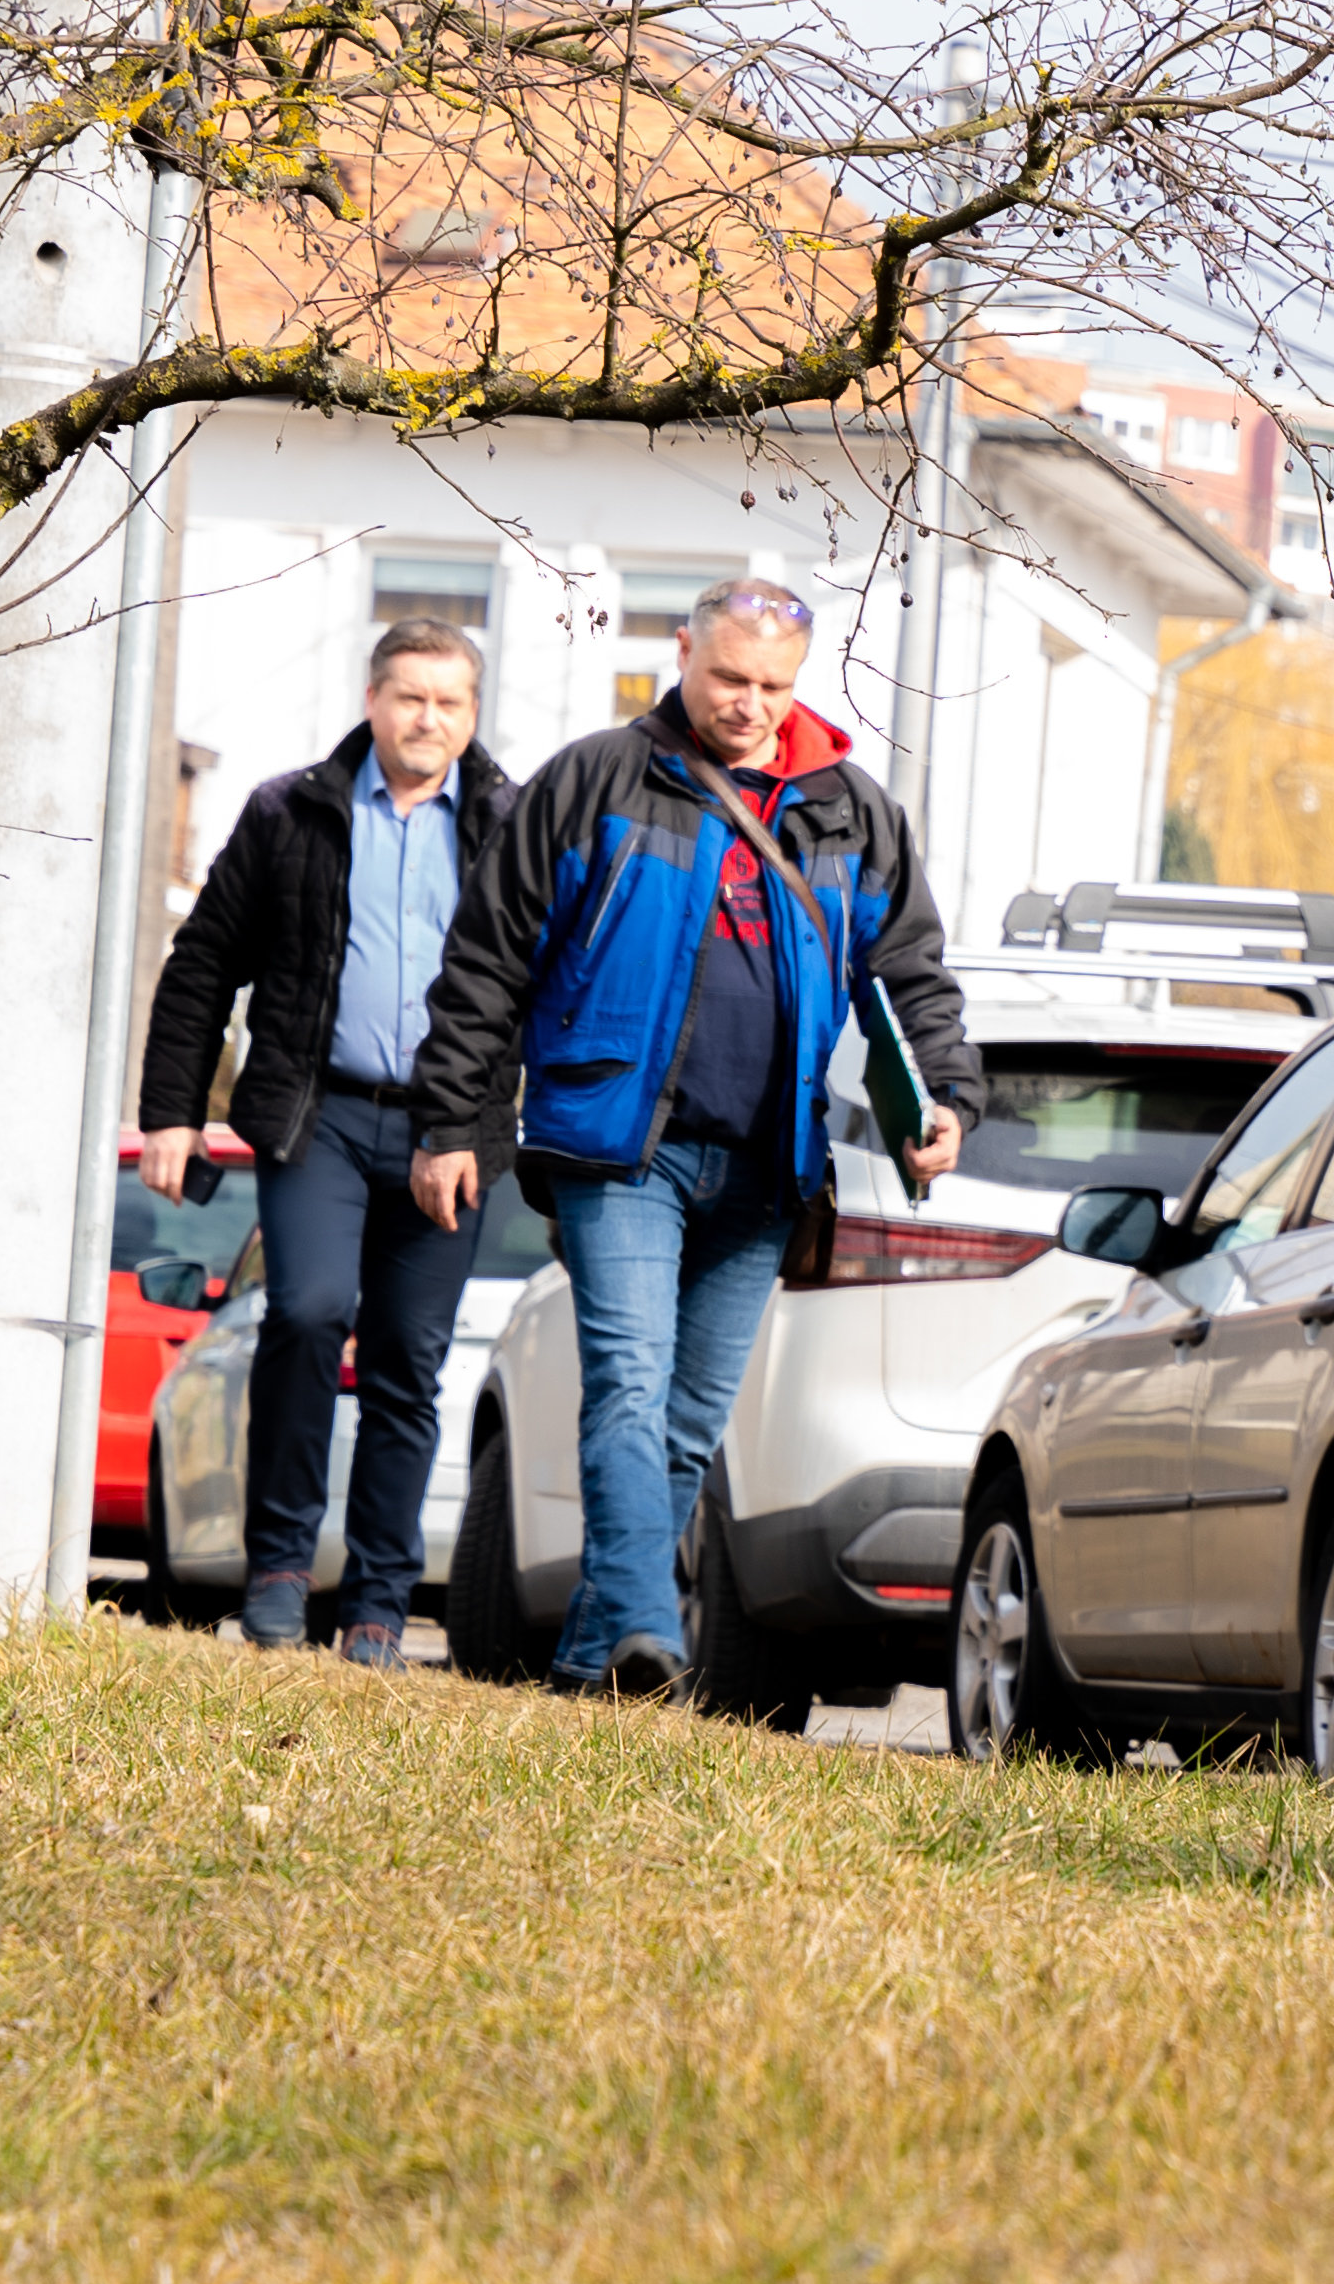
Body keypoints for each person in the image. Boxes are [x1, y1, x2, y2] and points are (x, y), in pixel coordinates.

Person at [413, 579, 984, 1695]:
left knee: (688, 1422)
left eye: (774, 685)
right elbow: (485, 960)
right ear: (683, 651)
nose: (749, 703)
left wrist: (945, 1093)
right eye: (729, 676)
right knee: (628, 1379)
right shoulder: (595, 779)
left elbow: (911, 970)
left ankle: (592, 1655)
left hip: (771, 1162)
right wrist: (454, 1123)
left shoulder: (849, 811)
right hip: (621, 1145)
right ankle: (644, 1631)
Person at [135, 619, 514, 1662]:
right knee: (305, 1315)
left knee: (408, 1359)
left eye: (447, 702)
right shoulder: (290, 812)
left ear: (471, 715)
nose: (425, 719)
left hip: (450, 1132)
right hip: (321, 1115)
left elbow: (539, 990)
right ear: (372, 698)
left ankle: (380, 1604)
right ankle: (279, 1569)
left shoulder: (505, 823)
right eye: (408, 697)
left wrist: (501, 1128)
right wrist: (172, 1108)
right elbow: (204, 961)